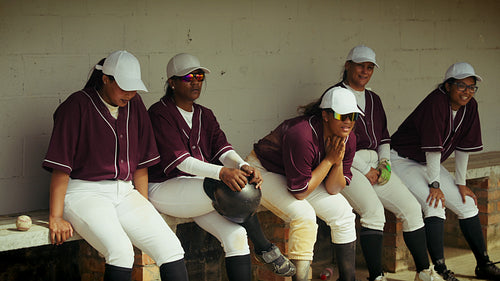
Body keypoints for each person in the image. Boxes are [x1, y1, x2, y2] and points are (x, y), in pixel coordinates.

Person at [147, 53, 296, 281]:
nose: (196, 81)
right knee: (233, 189)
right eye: (188, 76)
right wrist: (222, 172)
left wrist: (243, 166)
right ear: (172, 82)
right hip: (165, 187)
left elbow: (222, 149)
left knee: (236, 234)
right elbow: (181, 161)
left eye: (199, 76)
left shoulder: (205, 114)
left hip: (199, 190)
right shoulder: (159, 113)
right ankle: (264, 246)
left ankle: (262, 247)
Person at [43, 50, 189, 281]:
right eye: (123, 86)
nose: (130, 93)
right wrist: (56, 216)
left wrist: (144, 204)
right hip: (84, 193)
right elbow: (61, 168)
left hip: (125, 192)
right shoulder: (77, 105)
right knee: (121, 252)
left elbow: (141, 164)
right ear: (106, 79)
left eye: (134, 87)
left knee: (171, 248)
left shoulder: (135, 104)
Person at [330, 45, 443, 281]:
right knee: (374, 213)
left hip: (375, 160)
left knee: (412, 209)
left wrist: (385, 163)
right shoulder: (335, 95)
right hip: (346, 162)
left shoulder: (373, 98)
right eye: (360, 65)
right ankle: (376, 276)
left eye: (370, 67)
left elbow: (383, 138)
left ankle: (424, 272)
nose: (365, 71)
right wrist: (366, 169)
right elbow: (334, 140)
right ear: (348, 66)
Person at [391, 62, 500, 281]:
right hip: (402, 160)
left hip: (428, 162)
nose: (467, 91)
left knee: (467, 204)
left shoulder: (471, 106)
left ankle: (484, 264)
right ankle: (440, 270)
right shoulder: (436, 102)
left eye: (471, 87)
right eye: (461, 85)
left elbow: (464, 147)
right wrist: (435, 185)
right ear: (448, 85)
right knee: (435, 205)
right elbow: (432, 149)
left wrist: (460, 183)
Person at [246, 86, 361, 281]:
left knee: (344, 213)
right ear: (325, 115)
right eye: (342, 116)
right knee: (304, 215)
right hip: (264, 171)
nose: (348, 122)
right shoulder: (301, 133)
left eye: (353, 116)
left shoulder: (348, 138)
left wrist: (337, 160)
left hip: (299, 176)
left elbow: (334, 188)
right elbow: (299, 192)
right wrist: (329, 160)